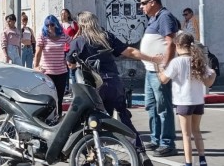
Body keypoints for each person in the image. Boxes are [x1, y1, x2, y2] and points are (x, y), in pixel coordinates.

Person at [67, 11, 159, 166]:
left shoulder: (79, 42)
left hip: (94, 88)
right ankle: (141, 153)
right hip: (114, 85)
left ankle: (94, 156)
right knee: (124, 119)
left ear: (81, 25)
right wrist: (151, 58)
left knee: (86, 123)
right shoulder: (106, 37)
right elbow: (129, 51)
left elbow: (70, 63)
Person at [157, 32, 216, 166]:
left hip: (183, 102)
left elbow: (164, 80)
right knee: (197, 131)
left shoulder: (176, 62)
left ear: (177, 45)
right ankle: (202, 160)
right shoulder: (198, 61)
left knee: (186, 134)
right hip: (197, 101)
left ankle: (188, 162)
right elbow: (208, 82)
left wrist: (159, 67)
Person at [139, 0, 178, 157]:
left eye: (143, 3)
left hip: (159, 71)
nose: (141, 7)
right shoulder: (153, 18)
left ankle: (167, 143)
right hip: (150, 70)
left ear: (152, 2)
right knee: (152, 107)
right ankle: (156, 139)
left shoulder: (164, 16)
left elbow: (171, 43)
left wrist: (165, 65)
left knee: (163, 107)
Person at [33, 14, 70, 117]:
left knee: (60, 97)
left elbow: (73, 44)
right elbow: (38, 52)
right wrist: (35, 66)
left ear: (56, 24)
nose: (50, 27)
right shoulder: (42, 36)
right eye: (47, 25)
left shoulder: (62, 35)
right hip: (47, 73)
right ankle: (47, 117)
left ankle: (58, 117)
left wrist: (69, 58)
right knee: (49, 97)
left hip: (62, 72)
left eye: (52, 24)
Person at [60, 8, 78, 92]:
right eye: (62, 13)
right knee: (64, 70)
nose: (63, 14)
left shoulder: (73, 24)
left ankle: (75, 89)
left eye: (64, 13)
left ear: (68, 14)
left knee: (72, 69)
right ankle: (66, 88)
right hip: (62, 49)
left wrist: (73, 39)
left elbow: (79, 32)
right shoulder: (59, 25)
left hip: (71, 49)